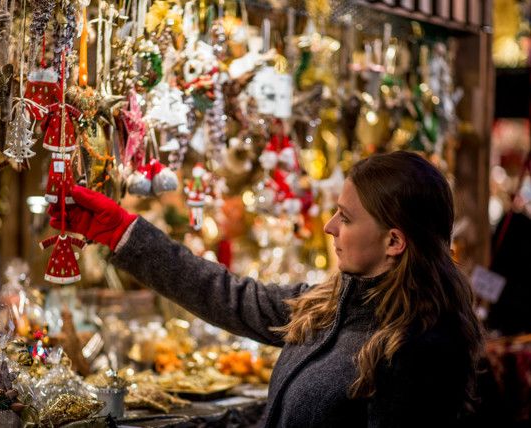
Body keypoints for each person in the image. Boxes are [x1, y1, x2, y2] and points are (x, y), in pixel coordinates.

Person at [48, 150, 484, 427]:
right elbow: (225, 294)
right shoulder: (329, 307)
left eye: (346, 219)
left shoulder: (421, 351)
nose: (330, 227)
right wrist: (125, 233)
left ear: (394, 241)